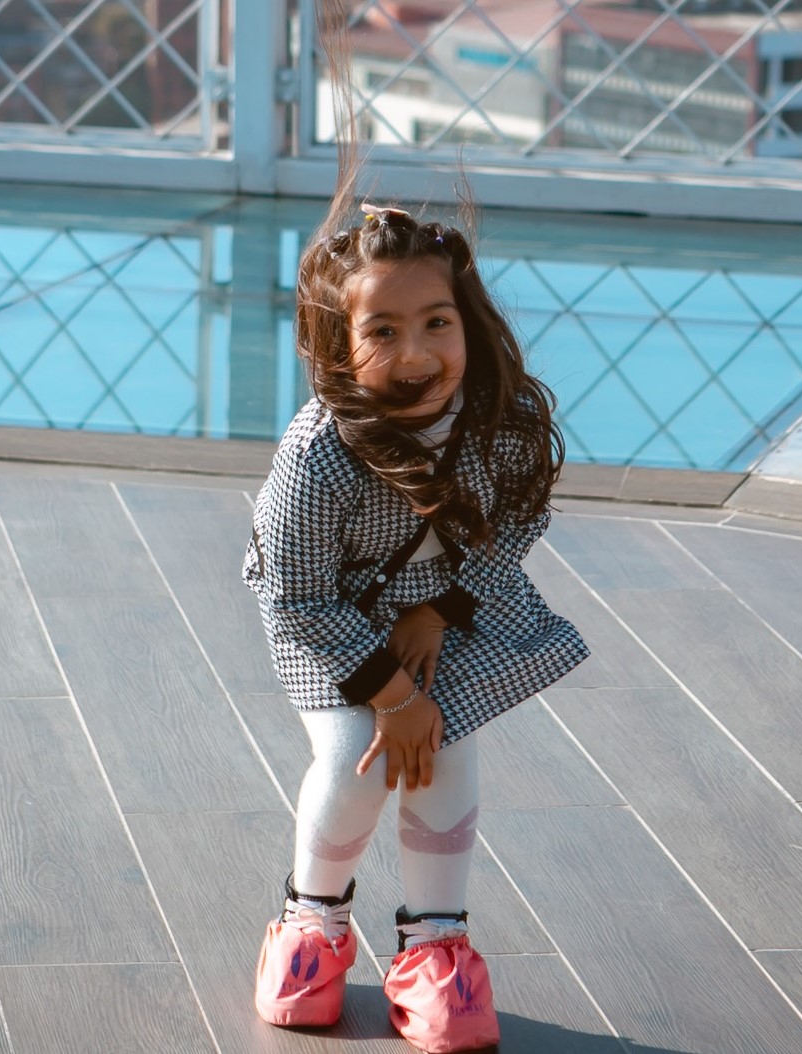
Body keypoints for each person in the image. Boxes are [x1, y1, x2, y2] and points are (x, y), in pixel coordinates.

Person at [240, 199, 589, 1053]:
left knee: (445, 747)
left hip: (448, 602)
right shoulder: (318, 454)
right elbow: (297, 595)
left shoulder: (501, 424)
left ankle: (436, 945)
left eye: (436, 322)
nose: (415, 354)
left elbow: (517, 521)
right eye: (381, 331)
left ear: (467, 321)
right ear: (336, 346)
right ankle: (311, 924)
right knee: (357, 757)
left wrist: (439, 613)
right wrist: (393, 697)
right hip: (329, 621)